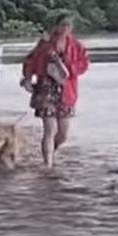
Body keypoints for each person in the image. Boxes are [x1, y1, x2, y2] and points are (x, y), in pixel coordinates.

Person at [20, 14, 89, 168]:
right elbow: (30, 61)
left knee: (63, 133)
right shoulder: (45, 44)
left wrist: (67, 66)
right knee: (50, 129)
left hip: (66, 90)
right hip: (46, 88)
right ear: (56, 26)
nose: (65, 28)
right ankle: (48, 166)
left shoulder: (77, 46)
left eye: (68, 25)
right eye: (62, 25)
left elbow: (83, 65)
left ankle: (51, 151)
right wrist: (28, 78)